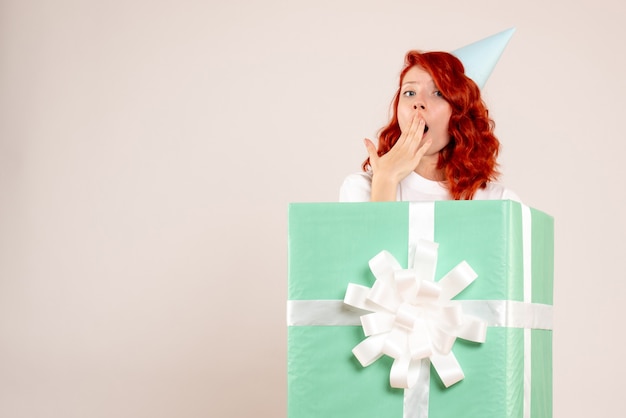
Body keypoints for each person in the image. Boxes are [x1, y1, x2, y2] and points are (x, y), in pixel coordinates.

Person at [339, 50, 520, 202]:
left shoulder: (497, 201)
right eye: (409, 92)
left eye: (438, 93)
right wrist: (385, 180)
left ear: (461, 113)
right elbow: (372, 245)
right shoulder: (360, 189)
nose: (418, 103)